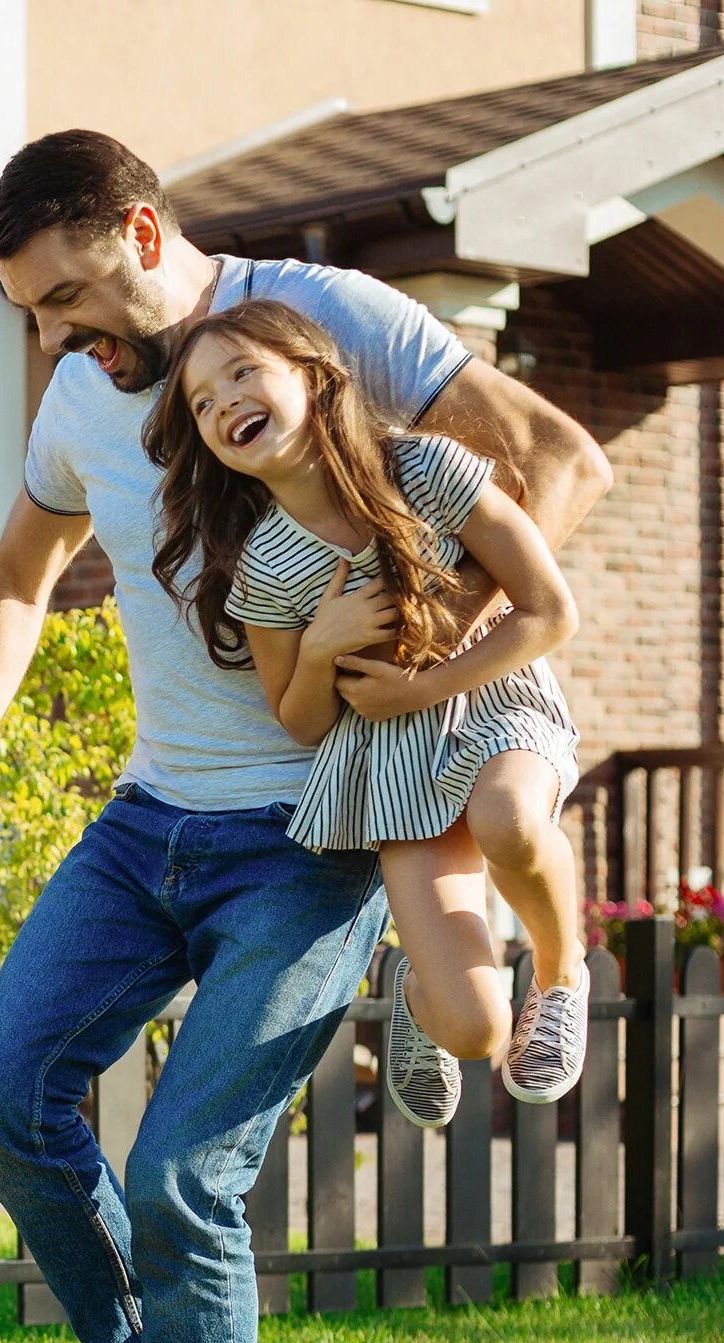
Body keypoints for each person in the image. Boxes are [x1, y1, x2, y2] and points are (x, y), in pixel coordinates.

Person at [0, 131, 609, 1343]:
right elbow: (19, 584)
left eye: (70, 296)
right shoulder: (84, 397)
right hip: (149, 818)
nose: (52, 337)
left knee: (183, 1177)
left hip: (315, 835)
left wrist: (422, 635)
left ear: (146, 233)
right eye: (32, 311)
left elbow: (556, 460)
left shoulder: (332, 321)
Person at [147, 298, 586, 1126]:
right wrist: (319, 649)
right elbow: (302, 721)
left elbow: (548, 611)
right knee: (473, 1027)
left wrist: (423, 685)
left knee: (508, 818)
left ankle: (564, 974)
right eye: (202, 402)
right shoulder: (267, 568)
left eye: (243, 372)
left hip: (492, 705)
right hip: (389, 764)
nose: (223, 401)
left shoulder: (424, 469)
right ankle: (424, 997)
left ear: (313, 378)